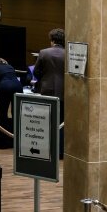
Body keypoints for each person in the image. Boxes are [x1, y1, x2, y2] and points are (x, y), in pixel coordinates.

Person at [33, 27, 65, 156]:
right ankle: (60, 150)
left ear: (52, 40)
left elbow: (36, 72)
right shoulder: (68, 53)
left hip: (47, 91)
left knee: (47, 121)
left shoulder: (44, 52)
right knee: (61, 122)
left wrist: (43, 80)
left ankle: (48, 149)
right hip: (64, 92)